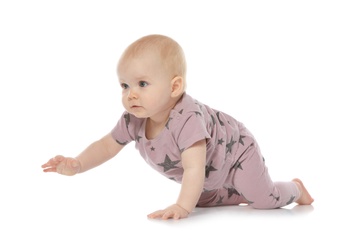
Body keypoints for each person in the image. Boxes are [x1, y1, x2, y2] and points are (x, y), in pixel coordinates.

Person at [42, 34, 314, 220]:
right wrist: (77, 164)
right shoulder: (133, 119)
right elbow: (106, 146)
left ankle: (295, 188)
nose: (131, 94)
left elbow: (194, 167)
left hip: (237, 153)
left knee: (262, 200)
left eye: (142, 84)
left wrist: (183, 207)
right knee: (202, 195)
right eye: (124, 85)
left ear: (175, 87)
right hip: (210, 176)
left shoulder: (187, 118)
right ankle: (234, 192)